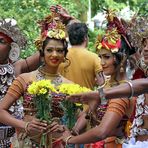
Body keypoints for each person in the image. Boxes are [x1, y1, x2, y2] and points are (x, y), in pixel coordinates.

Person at [52, 9, 138, 148]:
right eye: (100, 57)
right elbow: (87, 114)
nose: (102, 62)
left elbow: (102, 132)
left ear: (121, 60)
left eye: (107, 57)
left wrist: (69, 140)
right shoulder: (106, 87)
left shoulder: (122, 92)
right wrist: (73, 131)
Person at [0, 13, 73, 148]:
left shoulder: (70, 86)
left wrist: (66, 129)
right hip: (25, 143)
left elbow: (80, 118)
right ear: (42, 53)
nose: (54, 54)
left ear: (65, 55)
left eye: (59, 50)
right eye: (49, 50)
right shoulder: (25, 78)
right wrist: (25, 125)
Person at [0, 18, 40, 147]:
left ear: (12, 48)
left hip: (16, 137)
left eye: (1, 41)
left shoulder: (17, 67)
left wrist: (53, 27)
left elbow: (44, 52)